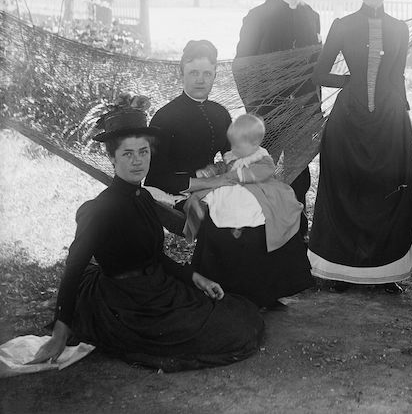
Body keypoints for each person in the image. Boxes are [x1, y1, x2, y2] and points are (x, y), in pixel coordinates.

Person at [29, 101, 264, 371]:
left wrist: (195, 277)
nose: (137, 161)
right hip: (126, 303)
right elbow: (74, 269)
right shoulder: (99, 209)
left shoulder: (144, 198)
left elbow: (155, 256)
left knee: (242, 314)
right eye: (127, 154)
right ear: (112, 158)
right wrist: (59, 335)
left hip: (156, 288)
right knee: (231, 332)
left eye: (143, 152)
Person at [308, 0, 412, 293]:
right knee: (345, 187)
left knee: (387, 187)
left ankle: (385, 274)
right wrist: (352, 81)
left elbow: (398, 75)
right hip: (348, 122)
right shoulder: (342, 25)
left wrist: (404, 114)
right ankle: (337, 271)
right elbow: (318, 74)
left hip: (389, 120)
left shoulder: (400, 28)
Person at [186, 114, 313, 307]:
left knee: (257, 208)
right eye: (233, 145)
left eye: (238, 145)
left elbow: (263, 172)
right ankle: (217, 225)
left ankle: (241, 228)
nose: (234, 149)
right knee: (208, 199)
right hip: (231, 187)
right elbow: (223, 166)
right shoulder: (234, 155)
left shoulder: (261, 157)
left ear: (255, 143)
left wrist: (237, 175)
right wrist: (210, 172)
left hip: (256, 188)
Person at [233, 0, 321, 210]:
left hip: (303, 115)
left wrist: (314, 110)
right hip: (267, 113)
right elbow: (241, 66)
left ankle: (296, 230)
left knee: (298, 178)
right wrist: (257, 110)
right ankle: (259, 231)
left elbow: (316, 67)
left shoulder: (312, 16)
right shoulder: (258, 16)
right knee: (261, 173)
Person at [146, 39, 232, 199]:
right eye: (194, 73)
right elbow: (156, 179)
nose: (200, 80)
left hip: (216, 190)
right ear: (182, 73)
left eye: (207, 73)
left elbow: (233, 156)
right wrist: (214, 182)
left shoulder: (221, 113)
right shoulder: (165, 117)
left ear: (215, 75)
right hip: (174, 196)